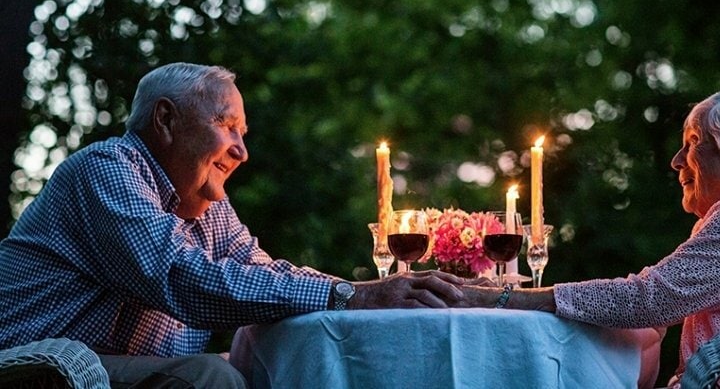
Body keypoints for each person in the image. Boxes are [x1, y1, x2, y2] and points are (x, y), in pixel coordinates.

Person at [0, 63, 463, 388]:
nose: (242, 152)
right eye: (228, 126)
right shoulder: (107, 169)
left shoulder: (205, 206)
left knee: (275, 369)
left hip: (108, 370)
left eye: (243, 135)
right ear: (166, 120)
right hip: (36, 367)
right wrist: (352, 295)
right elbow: (179, 277)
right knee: (211, 377)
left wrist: (365, 292)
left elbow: (265, 271)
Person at [457, 89, 720, 388]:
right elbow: (659, 298)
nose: (677, 161)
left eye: (694, 142)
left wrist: (498, 297)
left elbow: (650, 300)